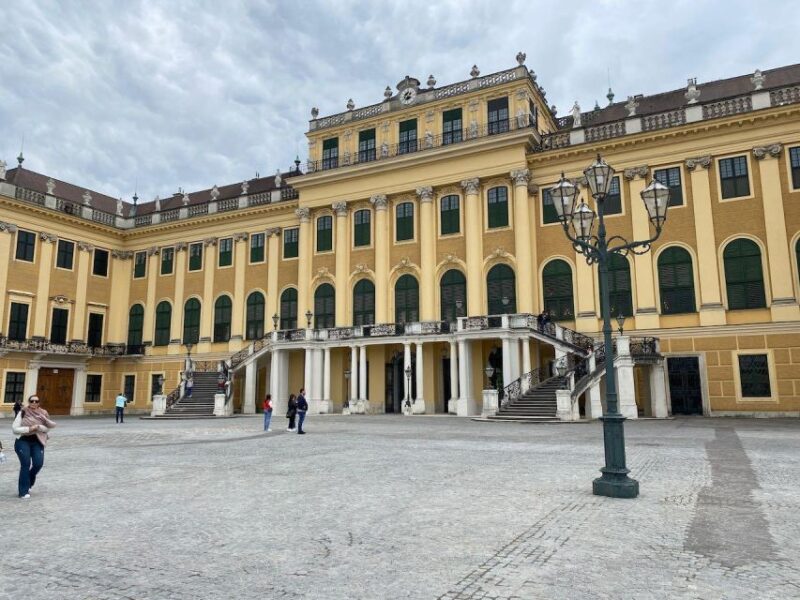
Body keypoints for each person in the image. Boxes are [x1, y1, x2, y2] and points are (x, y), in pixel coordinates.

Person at [11, 395, 57, 499]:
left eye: (37, 401)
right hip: (23, 441)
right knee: (25, 464)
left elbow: (47, 428)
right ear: (29, 402)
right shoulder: (22, 412)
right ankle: (23, 492)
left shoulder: (43, 413)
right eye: (32, 401)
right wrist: (29, 429)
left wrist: (39, 427)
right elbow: (15, 429)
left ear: (39, 402)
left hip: (37, 441)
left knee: (38, 464)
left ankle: (29, 480)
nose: (34, 403)